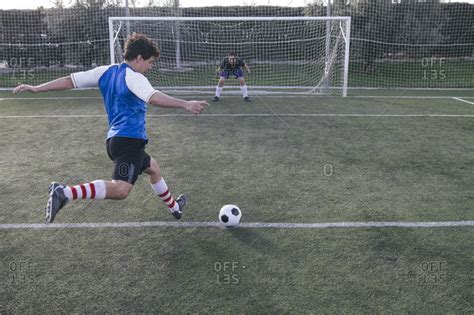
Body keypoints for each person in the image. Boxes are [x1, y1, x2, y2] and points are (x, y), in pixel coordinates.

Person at [13, 33, 209, 223]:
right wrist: (185, 104)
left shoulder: (104, 71)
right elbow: (154, 97)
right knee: (121, 190)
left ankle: (175, 208)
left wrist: (37, 87)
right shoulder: (135, 77)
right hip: (128, 141)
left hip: (116, 141)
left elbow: (69, 80)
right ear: (139, 58)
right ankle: (64, 192)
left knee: (153, 168)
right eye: (149, 62)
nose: (150, 67)